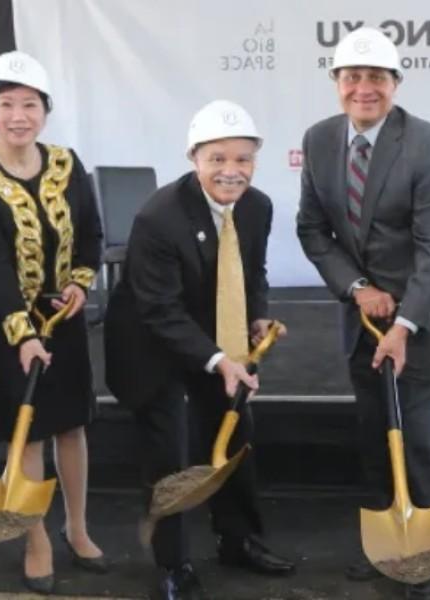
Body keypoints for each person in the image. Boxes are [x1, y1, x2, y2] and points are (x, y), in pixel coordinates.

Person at [295, 26, 430, 600]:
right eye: (351, 76)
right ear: (336, 83)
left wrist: (404, 324)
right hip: (365, 312)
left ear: (396, 83)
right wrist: (358, 289)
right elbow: (313, 228)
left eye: (376, 77)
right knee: (376, 427)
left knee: (422, 431)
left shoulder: (428, 143)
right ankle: (388, 542)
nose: (363, 88)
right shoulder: (321, 139)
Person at [106, 99, 296, 600]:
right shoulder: (159, 217)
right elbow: (160, 310)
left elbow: (251, 270)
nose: (231, 171)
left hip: (216, 336)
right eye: (217, 159)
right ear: (194, 157)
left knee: (236, 436)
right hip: (152, 346)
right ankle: (173, 565)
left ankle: (239, 541)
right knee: (170, 455)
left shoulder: (258, 206)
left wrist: (256, 314)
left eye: (242, 159)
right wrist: (218, 359)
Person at [0, 51, 105, 595]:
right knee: (30, 430)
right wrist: (22, 334)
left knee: (72, 423)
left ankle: (78, 527)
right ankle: (36, 538)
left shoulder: (67, 162)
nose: (19, 115)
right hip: (8, 320)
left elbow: (90, 234)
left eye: (30, 104)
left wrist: (80, 283)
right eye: (6, 104)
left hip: (62, 314)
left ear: (45, 110)